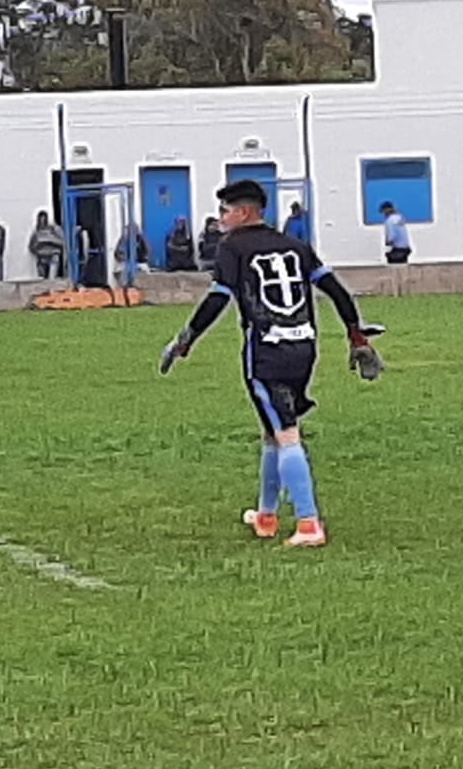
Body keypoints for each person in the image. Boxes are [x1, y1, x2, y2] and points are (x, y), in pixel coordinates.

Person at [159, 180, 386, 548]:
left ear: (244, 212)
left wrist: (186, 339)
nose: (220, 219)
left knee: (287, 434)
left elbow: (218, 298)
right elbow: (336, 290)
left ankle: (309, 524)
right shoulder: (295, 246)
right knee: (273, 429)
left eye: (225, 211)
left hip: (267, 351)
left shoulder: (233, 248)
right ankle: (266, 515)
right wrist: (355, 334)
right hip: (304, 348)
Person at [29, 211, 64, 279]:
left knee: (52, 278)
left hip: (53, 256)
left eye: (44, 219)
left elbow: (62, 242)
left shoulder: (54, 229)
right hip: (42, 258)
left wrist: (50, 241)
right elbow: (31, 246)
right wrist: (38, 251)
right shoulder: (36, 232)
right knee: (42, 279)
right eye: (40, 220)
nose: (42, 222)